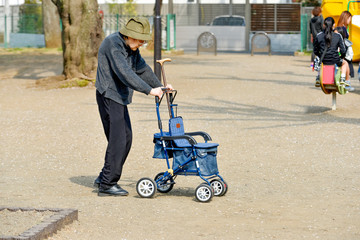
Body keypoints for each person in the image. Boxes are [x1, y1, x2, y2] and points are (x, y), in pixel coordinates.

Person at [94, 17, 172, 196]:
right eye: (139, 39)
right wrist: (148, 90)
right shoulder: (113, 44)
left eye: (143, 40)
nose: (141, 43)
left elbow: (142, 69)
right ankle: (107, 184)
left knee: (125, 138)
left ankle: (103, 177)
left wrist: (159, 86)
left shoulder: (131, 47)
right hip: (108, 95)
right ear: (128, 35)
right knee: (119, 140)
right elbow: (125, 73)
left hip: (119, 97)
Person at [313, 17, 354, 91]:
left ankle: (318, 77)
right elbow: (343, 51)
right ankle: (343, 79)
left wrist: (321, 55)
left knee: (319, 60)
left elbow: (315, 50)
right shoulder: (338, 36)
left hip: (324, 60)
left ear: (323, 25)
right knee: (345, 63)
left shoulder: (319, 35)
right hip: (335, 60)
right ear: (334, 25)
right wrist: (341, 57)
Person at [336, 11, 355, 79]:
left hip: (342, 50)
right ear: (346, 18)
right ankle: (346, 82)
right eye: (349, 18)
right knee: (346, 64)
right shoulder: (342, 28)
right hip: (343, 51)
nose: (350, 21)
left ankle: (346, 82)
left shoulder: (339, 27)